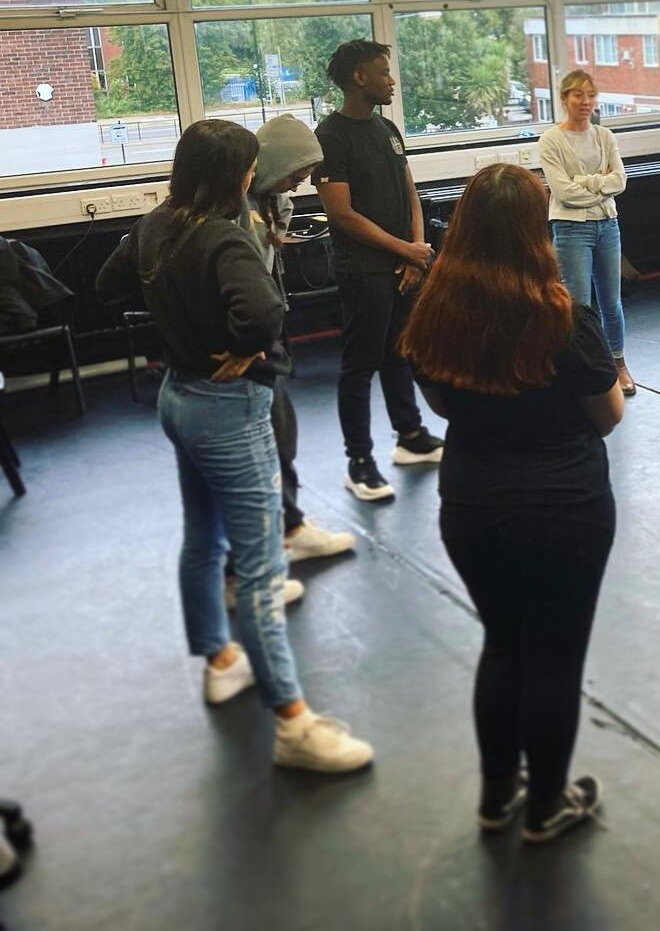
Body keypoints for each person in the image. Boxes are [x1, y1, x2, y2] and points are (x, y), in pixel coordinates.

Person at [97, 120, 373, 774]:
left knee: (204, 539)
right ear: (233, 176)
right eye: (249, 168)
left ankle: (220, 661)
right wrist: (245, 347)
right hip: (226, 410)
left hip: (178, 397)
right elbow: (267, 311)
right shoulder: (223, 234)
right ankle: (294, 726)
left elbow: (111, 282)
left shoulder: (157, 224)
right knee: (259, 575)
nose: (255, 176)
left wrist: (179, 318)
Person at [399, 165, 622, 844]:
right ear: (535, 230)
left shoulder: (432, 313)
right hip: (565, 507)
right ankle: (548, 805)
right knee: (554, 658)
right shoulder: (566, 320)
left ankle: (499, 797)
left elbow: (439, 402)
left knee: (503, 645)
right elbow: (608, 415)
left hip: (472, 502)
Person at [314, 40, 444, 503]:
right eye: (384, 72)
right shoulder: (330, 136)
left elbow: (410, 190)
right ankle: (359, 461)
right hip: (363, 270)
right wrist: (405, 252)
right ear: (358, 78)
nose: (392, 80)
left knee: (398, 354)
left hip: (401, 262)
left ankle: (409, 435)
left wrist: (416, 250)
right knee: (359, 365)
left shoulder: (388, 127)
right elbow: (342, 215)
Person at [238, 113, 355, 563]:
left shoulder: (267, 202)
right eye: (295, 175)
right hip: (247, 337)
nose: (297, 186)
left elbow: (271, 248)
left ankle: (288, 526)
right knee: (260, 443)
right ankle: (267, 543)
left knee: (280, 432)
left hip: (264, 332)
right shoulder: (234, 211)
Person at [538, 70, 635, 396]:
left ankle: (618, 365)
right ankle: (580, 368)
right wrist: (599, 183)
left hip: (607, 225)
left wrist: (585, 182)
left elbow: (619, 181)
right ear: (565, 98)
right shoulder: (551, 140)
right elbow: (563, 193)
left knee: (611, 302)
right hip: (570, 228)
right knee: (577, 305)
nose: (585, 102)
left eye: (590, 95)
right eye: (578, 95)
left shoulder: (604, 136)